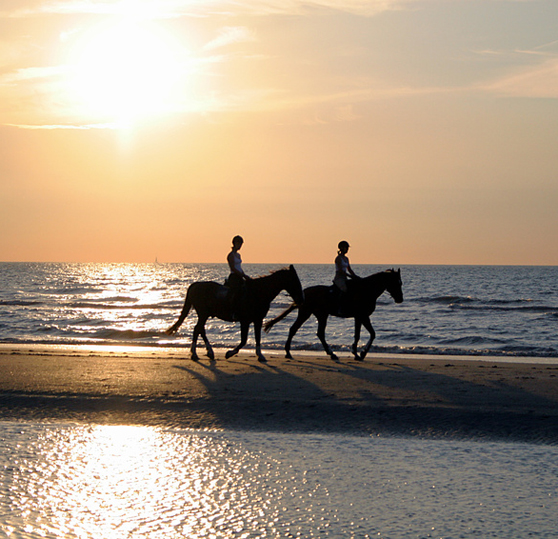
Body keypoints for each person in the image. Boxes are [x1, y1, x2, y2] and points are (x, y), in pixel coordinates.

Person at [226, 235, 250, 318]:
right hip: (234, 277)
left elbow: (239, 267)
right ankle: (233, 311)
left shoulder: (238, 255)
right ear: (234, 243)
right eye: (238, 243)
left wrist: (244, 275)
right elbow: (233, 268)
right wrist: (242, 275)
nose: (240, 246)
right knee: (237, 292)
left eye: (241, 244)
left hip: (240, 275)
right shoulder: (231, 255)